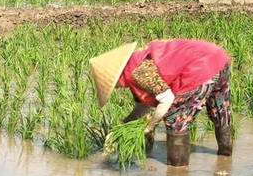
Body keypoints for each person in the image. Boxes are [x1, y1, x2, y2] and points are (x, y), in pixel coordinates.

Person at [89, 39, 233, 167]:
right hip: (219, 59)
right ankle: (225, 159)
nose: (117, 87)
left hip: (202, 67)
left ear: (116, 77)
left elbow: (166, 100)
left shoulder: (138, 73)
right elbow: (143, 106)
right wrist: (122, 126)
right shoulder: (135, 63)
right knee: (220, 109)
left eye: (112, 85)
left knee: (174, 117)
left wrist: (150, 126)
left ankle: (177, 170)